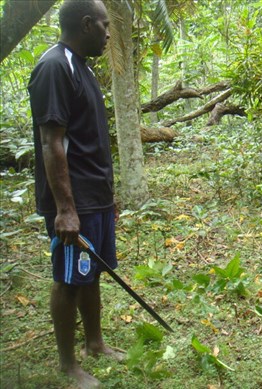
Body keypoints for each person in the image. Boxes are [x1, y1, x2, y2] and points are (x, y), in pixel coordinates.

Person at [28, 1, 123, 388]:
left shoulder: (81, 66)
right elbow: (52, 142)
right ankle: (68, 367)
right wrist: (65, 208)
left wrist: (107, 196)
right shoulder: (55, 67)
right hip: (73, 200)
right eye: (103, 24)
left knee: (91, 271)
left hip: (93, 195)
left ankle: (95, 344)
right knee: (69, 279)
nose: (107, 32)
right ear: (85, 24)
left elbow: (88, 139)